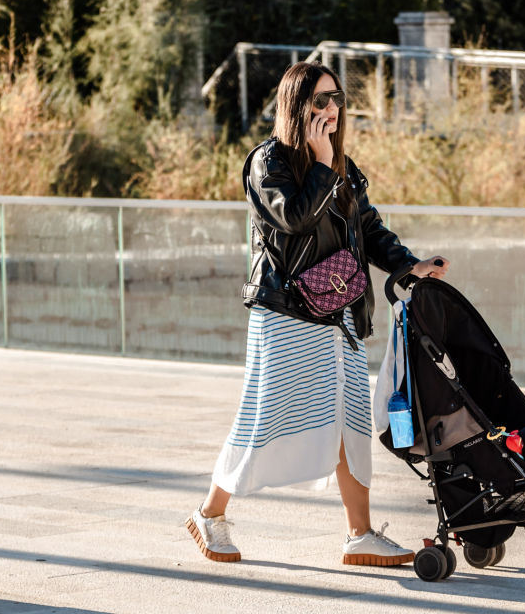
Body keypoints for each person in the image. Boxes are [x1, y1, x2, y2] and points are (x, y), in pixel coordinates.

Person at [186, 61, 449, 566]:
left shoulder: (341, 166)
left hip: (339, 314)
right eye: (320, 101)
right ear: (296, 105)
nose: (331, 110)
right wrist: (325, 165)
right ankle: (209, 514)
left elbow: (368, 229)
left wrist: (408, 264)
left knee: (351, 420)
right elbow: (293, 219)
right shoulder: (269, 162)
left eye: (336, 99)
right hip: (286, 312)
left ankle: (360, 534)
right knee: (265, 417)